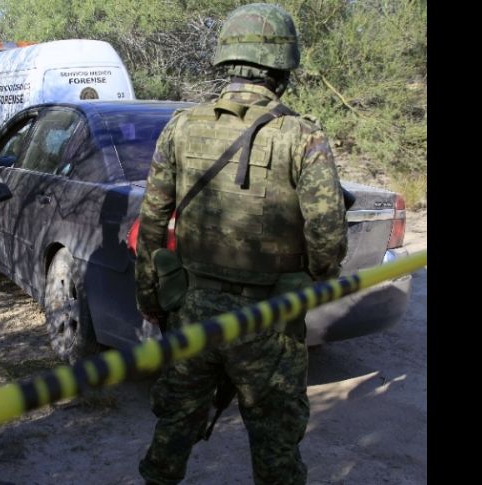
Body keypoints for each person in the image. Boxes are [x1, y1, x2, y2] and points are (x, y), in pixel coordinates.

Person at [135, 4, 348, 484]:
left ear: (226, 62)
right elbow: (328, 238)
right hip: (268, 317)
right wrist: (312, 281)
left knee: (174, 425)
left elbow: (151, 222)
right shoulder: (301, 134)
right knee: (275, 443)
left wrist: (151, 298)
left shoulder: (181, 127)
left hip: (191, 311)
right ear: (282, 68)